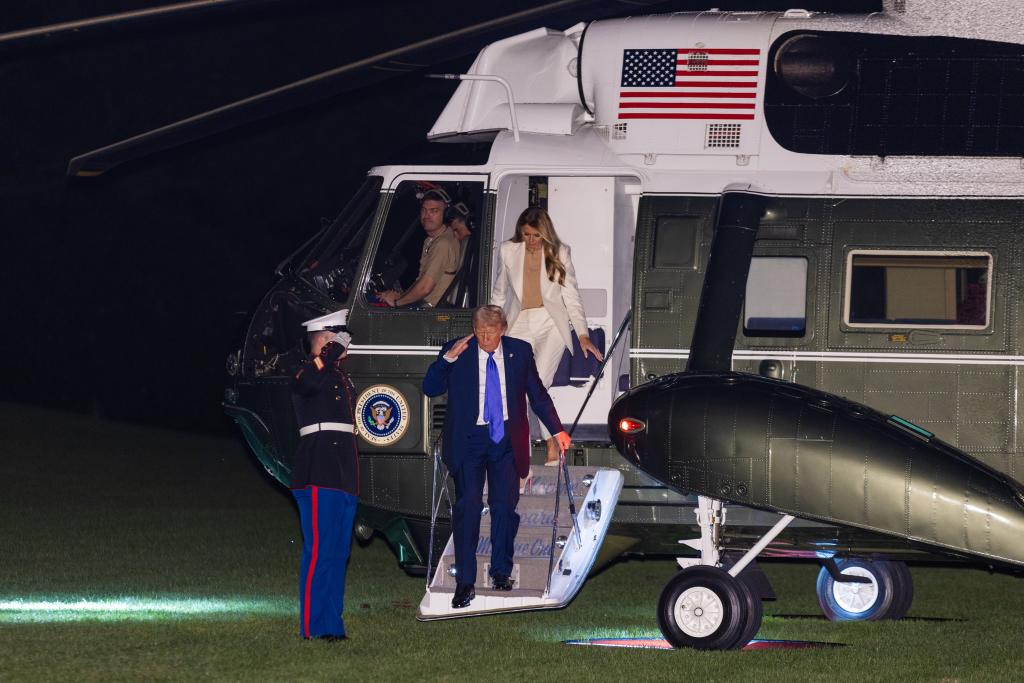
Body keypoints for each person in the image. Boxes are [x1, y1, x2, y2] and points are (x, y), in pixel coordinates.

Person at [422, 305, 572, 609]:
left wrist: (557, 430)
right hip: (469, 441)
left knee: (504, 507)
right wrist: (447, 360)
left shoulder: (520, 351)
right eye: (479, 332)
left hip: (505, 439)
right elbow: (430, 387)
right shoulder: (458, 350)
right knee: (468, 506)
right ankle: (465, 582)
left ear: (502, 330)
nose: (484, 338)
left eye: (490, 332)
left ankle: (501, 572)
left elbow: (537, 395)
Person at [490, 206, 603, 465]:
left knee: (538, 384)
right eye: (526, 234)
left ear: (545, 234)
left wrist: (583, 334)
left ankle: (551, 442)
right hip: (519, 321)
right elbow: (499, 293)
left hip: (550, 323)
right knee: (516, 387)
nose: (530, 240)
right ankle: (527, 448)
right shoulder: (508, 250)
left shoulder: (560, 252)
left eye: (536, 236)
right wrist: (492, 325)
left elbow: (571, 296)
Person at [288, 309, 359, 641]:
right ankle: (313, 626)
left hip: (343, 469)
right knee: (320, 550)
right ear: (324, 340)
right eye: (338, 338)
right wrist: (329, 353)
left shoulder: (339, 376)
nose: (346, 346)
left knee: (339, 551)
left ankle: (332, 624)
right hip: (318, 467)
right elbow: (306, 382)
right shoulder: (307, 371)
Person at [378, 190, 460, 308]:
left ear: (447, 215)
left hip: (429, 310)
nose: (426, 216)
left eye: (434, 211)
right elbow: (421, 280)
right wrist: (401, 296)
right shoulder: (431, 239)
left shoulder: (443, 244)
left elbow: (425, 288)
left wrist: (397, 303)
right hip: (423, 305)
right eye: (424, 210)